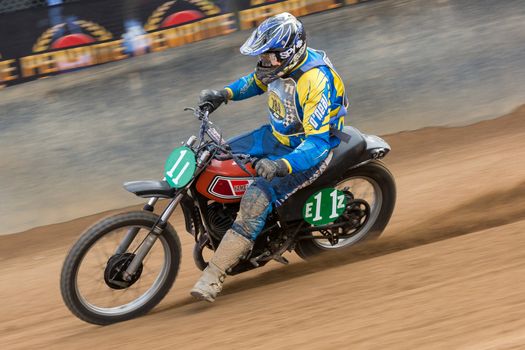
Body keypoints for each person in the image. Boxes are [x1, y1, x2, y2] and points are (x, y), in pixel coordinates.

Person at [191, 12, 348, 302]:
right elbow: (255, 82)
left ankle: (213, 276)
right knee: (214, 156)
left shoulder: (313, 81)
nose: (262, 61)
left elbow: (316, 143)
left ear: (288, 52)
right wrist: (223, 94)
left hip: (305, 152)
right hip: (276, 136)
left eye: (268, 56)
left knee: (255, 199)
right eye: (261, 55)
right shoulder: (277, 68)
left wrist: (280, 165)